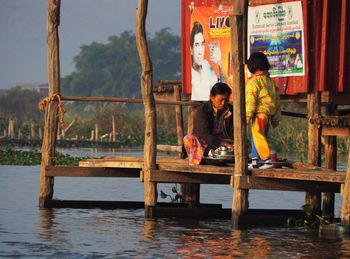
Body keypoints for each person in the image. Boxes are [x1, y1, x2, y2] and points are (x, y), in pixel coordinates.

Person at [183, 82, 233, 165]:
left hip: (225, 145)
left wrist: (232, 143)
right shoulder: (203, 110)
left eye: (226, 99)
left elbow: (234, 132)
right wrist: (220, 143)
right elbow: (203, 133)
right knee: (190, 139)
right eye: (221, 100)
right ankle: (205, 156)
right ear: (212, 97)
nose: (224, 103)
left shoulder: (231, 110)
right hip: (208, 143)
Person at [245, 52, 281, 169]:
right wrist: (276, 119)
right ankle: (255, 160)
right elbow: (277, 102)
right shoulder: (271, 82)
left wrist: (247, 116)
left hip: (259, 115)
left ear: (252, 67)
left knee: (257, 135)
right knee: (259, 136)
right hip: (268, 115)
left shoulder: (254, 82)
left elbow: (250, 101)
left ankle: (266, 159)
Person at [190, 21, 226, 101]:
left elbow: (223, 87)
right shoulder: (190, 72)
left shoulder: (206, 65)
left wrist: (219, 63)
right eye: (196, 45)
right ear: (191, 49)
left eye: (202, 44)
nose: (200, 51)